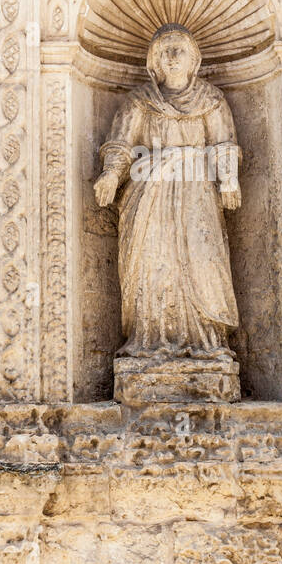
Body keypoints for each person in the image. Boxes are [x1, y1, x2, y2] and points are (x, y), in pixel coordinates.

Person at [94, 23, 241, 364]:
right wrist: (111, 175)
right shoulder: (139, 102)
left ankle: (206, 342)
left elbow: (223, 143)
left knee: (202, 262)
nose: (173, 57)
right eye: (166, 51)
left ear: (194, 60)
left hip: (196, 193)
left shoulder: (211, 100)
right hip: (149, 194)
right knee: (151, 262)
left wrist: (229, 179)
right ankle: (148, 342)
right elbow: (121, 143)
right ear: (154, 61)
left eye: (180, 50)